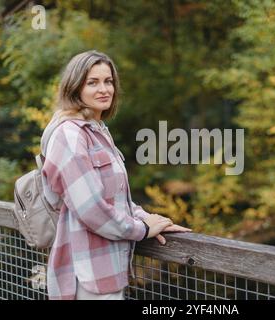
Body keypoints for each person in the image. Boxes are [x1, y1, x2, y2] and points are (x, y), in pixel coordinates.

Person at [40, 50, 191, 300]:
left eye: (108, 81)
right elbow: (92, 209)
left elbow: (116, 197)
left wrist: (151, 219)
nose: (104, 89)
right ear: (75, 88)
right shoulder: (70, 135)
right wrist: (141, 229)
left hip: (108, 268)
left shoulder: (97, 130)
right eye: (93, 82)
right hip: (86, 272)